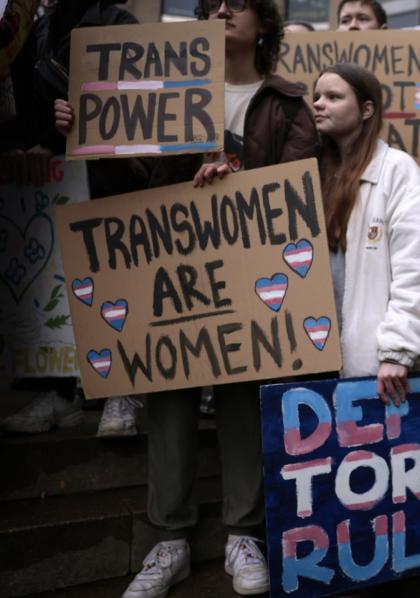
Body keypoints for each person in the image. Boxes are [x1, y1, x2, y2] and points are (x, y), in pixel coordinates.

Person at [54, 1, 318, 595]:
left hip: (251, 267)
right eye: (211, 3)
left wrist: (235, 174)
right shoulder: (159, 91)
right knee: (169, 390)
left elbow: (300, 188)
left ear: (266, 24)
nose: (222, 9)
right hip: (170, 266)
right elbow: (129, 180)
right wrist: (89, 130)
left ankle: (242, 535)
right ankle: (167, 539)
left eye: (238, 2)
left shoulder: (287, 104)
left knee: (242, 390)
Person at [0, 0, 145, 438]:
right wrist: (39, 138)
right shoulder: (37, 30)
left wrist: (89, 117)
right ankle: (58, 393)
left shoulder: (120, 23)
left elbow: (141, 103)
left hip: (111, 180)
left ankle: (122, 393)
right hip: (57, 181)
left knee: (113, 284)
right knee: (56, 288)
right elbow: (24, 108)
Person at [312, 62, 420, 402]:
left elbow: (419, 266)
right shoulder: (310, 173)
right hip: (318, 364)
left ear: (366, 109)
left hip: (379, 369)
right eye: (316, 96)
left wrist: (398, 351)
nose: (318, 103)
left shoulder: (397, 170)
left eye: (333, 96)